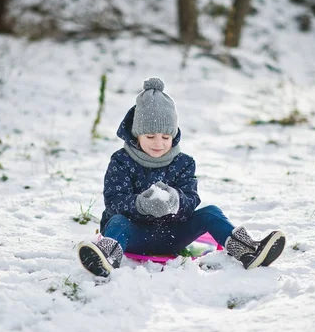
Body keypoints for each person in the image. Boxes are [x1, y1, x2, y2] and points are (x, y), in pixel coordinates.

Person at [77, 77, 285, 277]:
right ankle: (106, 257)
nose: (158, 143)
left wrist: (175, 202)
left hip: (173, 235)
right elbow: (114, 200)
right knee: (118, 221)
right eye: (150, 136)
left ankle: (248, 250)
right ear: (136, 134)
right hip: (134, 234)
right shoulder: (122, 161)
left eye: (165, 137)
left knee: (211, 212)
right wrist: (141, 205)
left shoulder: (183, 163)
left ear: (174, 135)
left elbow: (191, 199)